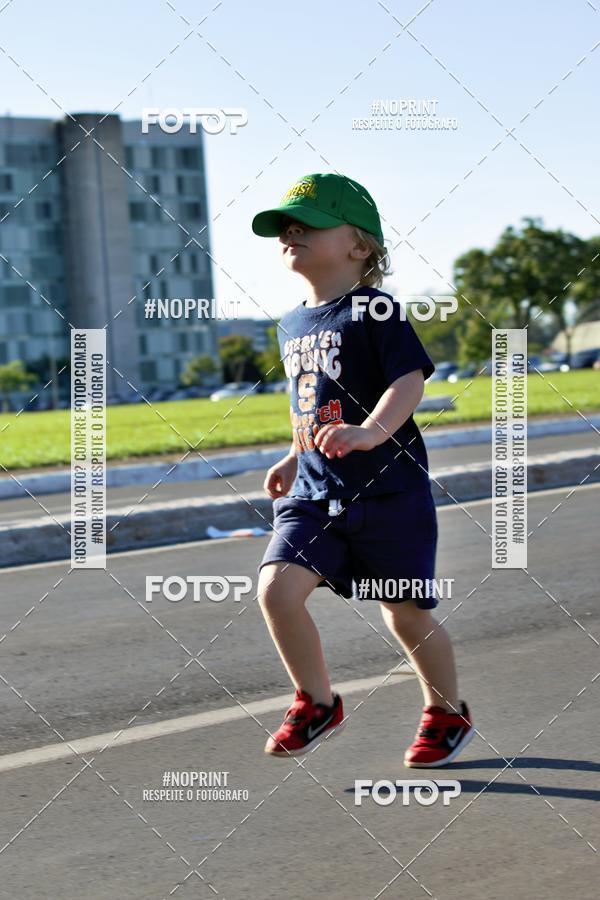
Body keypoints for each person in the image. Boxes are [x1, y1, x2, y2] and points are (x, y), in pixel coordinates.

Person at [251, 173, 474, 766]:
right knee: (276, 589)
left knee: (404, 613)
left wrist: (374, 432)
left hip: (387, 492)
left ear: (359, 245)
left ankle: (447, 712)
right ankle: (317, 702)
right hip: (315, 493)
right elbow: (316, 405)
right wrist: (296, 455)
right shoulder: (291, 324)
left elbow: (408, 380)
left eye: (308, 224)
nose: (291, 234)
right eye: (286, 228)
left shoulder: (375, 309)